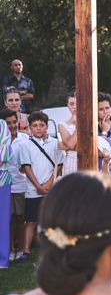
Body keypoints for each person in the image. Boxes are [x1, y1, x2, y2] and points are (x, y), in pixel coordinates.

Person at [19, 111, 64, 261]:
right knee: (31, 220)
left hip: (51, 187)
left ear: (46, 126)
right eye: (35, 125)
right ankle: (25, 251)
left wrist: (49, 183)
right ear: (30, 128)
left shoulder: (55, 143)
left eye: (41, 125)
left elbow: (59, 165)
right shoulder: (26, 145)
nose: (38, 128)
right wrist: (38, 186)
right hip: (33, 188)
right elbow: (26, 167)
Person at [0, 110, 28, 263]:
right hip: (3, 184)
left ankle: (21, 249)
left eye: (14, 122)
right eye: (8, 123)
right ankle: (9, 249)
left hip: (20, 183)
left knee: (20, 218)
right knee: (7, 219)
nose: (12, 125)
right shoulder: (0, 140)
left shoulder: (25, 139)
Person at [58, 92, 78, 175]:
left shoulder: (90, 122)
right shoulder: (62, 124)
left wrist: (65, 146)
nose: (75, 106)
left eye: (77, 103)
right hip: (71, 161)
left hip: (88, 160)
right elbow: (70, 144)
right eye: (71, 104)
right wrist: (78, 126)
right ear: (68, 105)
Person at [0, 118, 10, 269]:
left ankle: (2, 260)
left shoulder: (1, 124)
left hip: (2, 180)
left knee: (2, 221)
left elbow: (5, 152)